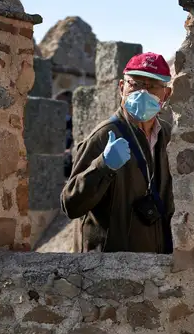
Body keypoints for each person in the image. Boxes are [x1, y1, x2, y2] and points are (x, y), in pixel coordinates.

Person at [61, 52, 175, 254]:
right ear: (122, 88)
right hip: (109, 264)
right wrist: (103, 165)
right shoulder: (104, 136)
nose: (142, 92)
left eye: (151, 86)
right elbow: (71, 205)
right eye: (135, 84)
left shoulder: (170, 137)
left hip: (157, 262)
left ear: (165, 94)